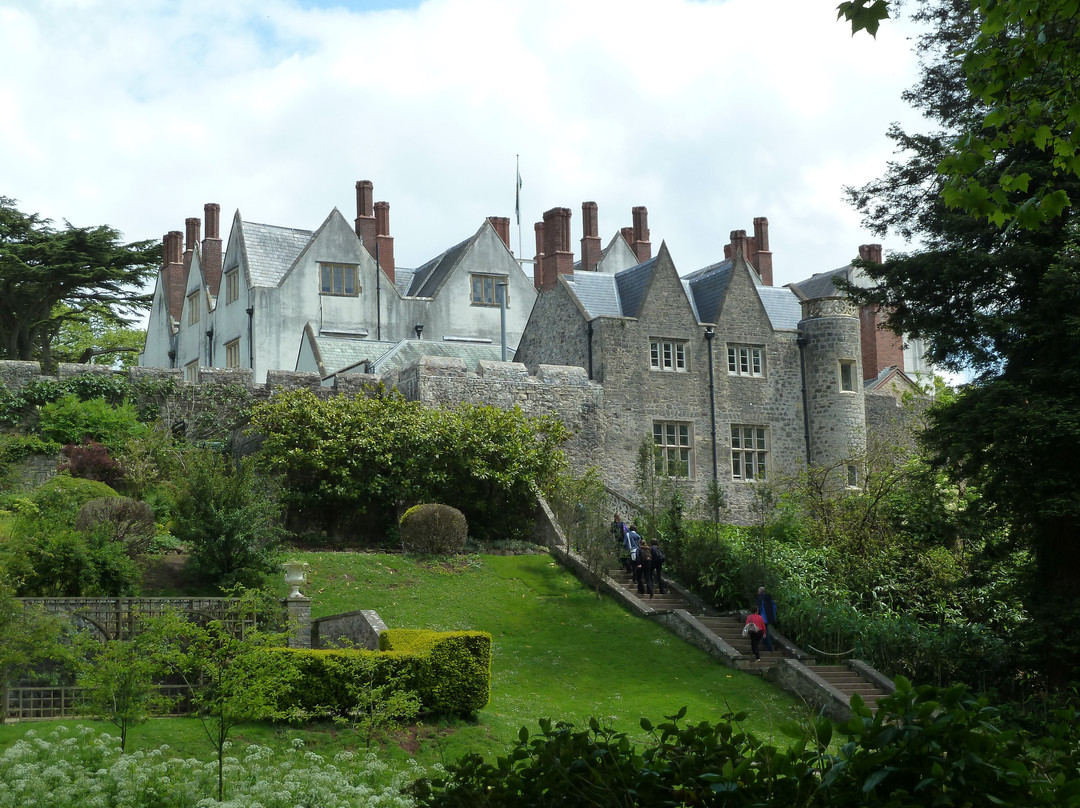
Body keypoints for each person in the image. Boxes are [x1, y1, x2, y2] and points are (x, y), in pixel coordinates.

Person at [757, 586, 777, 652]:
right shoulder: (769, 598)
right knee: (765, 630)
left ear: (760, 591)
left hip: (763, 618)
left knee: (765, 631)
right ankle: (766, 642)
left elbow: (759, 609)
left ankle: (769, 647)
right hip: (770, 617)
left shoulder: (760, 598)